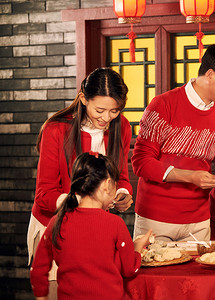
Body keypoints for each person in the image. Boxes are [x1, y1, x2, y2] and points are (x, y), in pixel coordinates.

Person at [27, 67, 134, 295]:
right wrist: (83, 204)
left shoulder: (121, 126)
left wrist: (123, 193)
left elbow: (121, 176)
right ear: (84, 98)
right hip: (56, 227)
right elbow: (44, 194)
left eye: (114, 110)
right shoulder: (57, 129)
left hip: (93, 228)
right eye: (100, 110)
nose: (106, 118)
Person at [132, 39, 215, 242]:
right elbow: (141, 162)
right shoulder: (163, 104)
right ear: (211, 75)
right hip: (155, 218)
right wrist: (190, 177)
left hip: (199, 221)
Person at [30, 152, 152, 300]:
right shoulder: (115, 223)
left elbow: (38, 269)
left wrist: (41, 296)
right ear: (107, 185)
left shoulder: (58, 220)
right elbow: (130, 269)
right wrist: (138, 246)